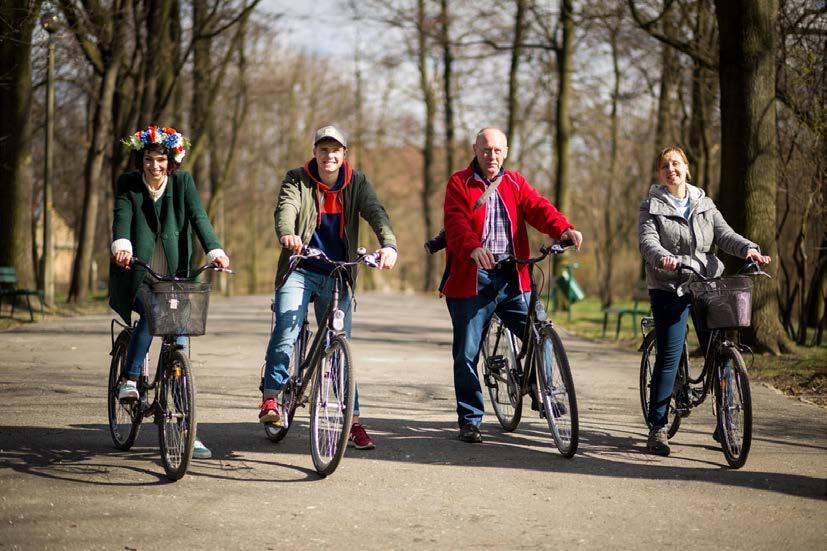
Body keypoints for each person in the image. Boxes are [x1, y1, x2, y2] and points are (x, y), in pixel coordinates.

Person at [259, 125, 397, 450]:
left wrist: (388, 244)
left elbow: (376, 212)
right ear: (315, 152)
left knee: (338, 347)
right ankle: (271, 398)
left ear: (344, 154)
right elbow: (287, 208)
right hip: (301, 267)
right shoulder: (298, 178)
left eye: (335, 150)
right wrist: (288, 234)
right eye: (323, 149)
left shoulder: (357, 182)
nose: (329, 155)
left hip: (337, 273)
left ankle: (353, 422)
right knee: (287, 327)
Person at [441, 127, 583, 443]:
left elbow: (538, 207)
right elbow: (456, 222)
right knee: (467, 352)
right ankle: (470, 420)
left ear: (505, 152)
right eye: (485, 149)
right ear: (475, 149)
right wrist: (472, 248)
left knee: (541, 330)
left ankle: (543, 389)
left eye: (497, 150)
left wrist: (564, 229)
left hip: (514, 277)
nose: (491, 155)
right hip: (473, 279)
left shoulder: (515, 182)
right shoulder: (459, 183)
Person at [638, 146, 771, 456]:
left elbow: (725, 235)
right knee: (670, 355)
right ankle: (657, 427)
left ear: (687, 168)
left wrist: (749, 249)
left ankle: (724, 416)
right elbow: (647, 241)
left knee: (722, 345)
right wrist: (662, 257)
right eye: (664, 166)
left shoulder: (704, 203)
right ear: (660, 174)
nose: (670, 169)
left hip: (706, 283)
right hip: (669, 286)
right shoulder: (651, 206)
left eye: (675, 163)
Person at [110, 125, 230, 460]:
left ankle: (187, 431)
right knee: (152, 312)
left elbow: (199, 218)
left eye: (161, 159)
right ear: (141, 159)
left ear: (171, 160)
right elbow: (122, 217)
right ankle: (129, 379)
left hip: (176, 277)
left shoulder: (183, 183)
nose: (155, 165)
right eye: (149, 159)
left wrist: (214, 250)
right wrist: (122, 243)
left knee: (179, 346)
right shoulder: (129, 185)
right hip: (138, 275)